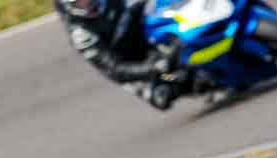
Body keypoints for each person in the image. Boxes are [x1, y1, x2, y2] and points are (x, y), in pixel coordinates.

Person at [54, 0, 186, 108]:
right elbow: (115, 69)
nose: (88, 2)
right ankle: (175, 77)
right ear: (70, 7)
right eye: (80, 2)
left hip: (144, 31)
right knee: (163, 95)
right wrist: (153, 68)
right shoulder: (82, 34)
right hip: (135, 64)